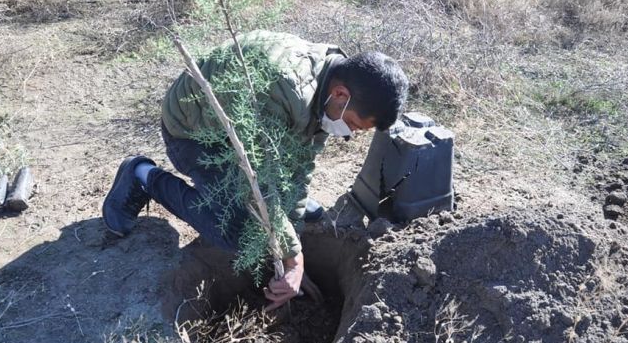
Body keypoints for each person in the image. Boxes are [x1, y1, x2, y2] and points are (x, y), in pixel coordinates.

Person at [102, 30, 408, 310]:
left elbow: (301, 165)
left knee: (288, 211)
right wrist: (294, 259)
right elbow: (256, 185)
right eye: (353, 124)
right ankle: (143, 175)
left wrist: (292, 232)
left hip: (244, 137)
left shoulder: (328, 85)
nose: (348, 134)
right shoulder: (280, 88)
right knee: (237, 232)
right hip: (195, 132)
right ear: (341, 94)